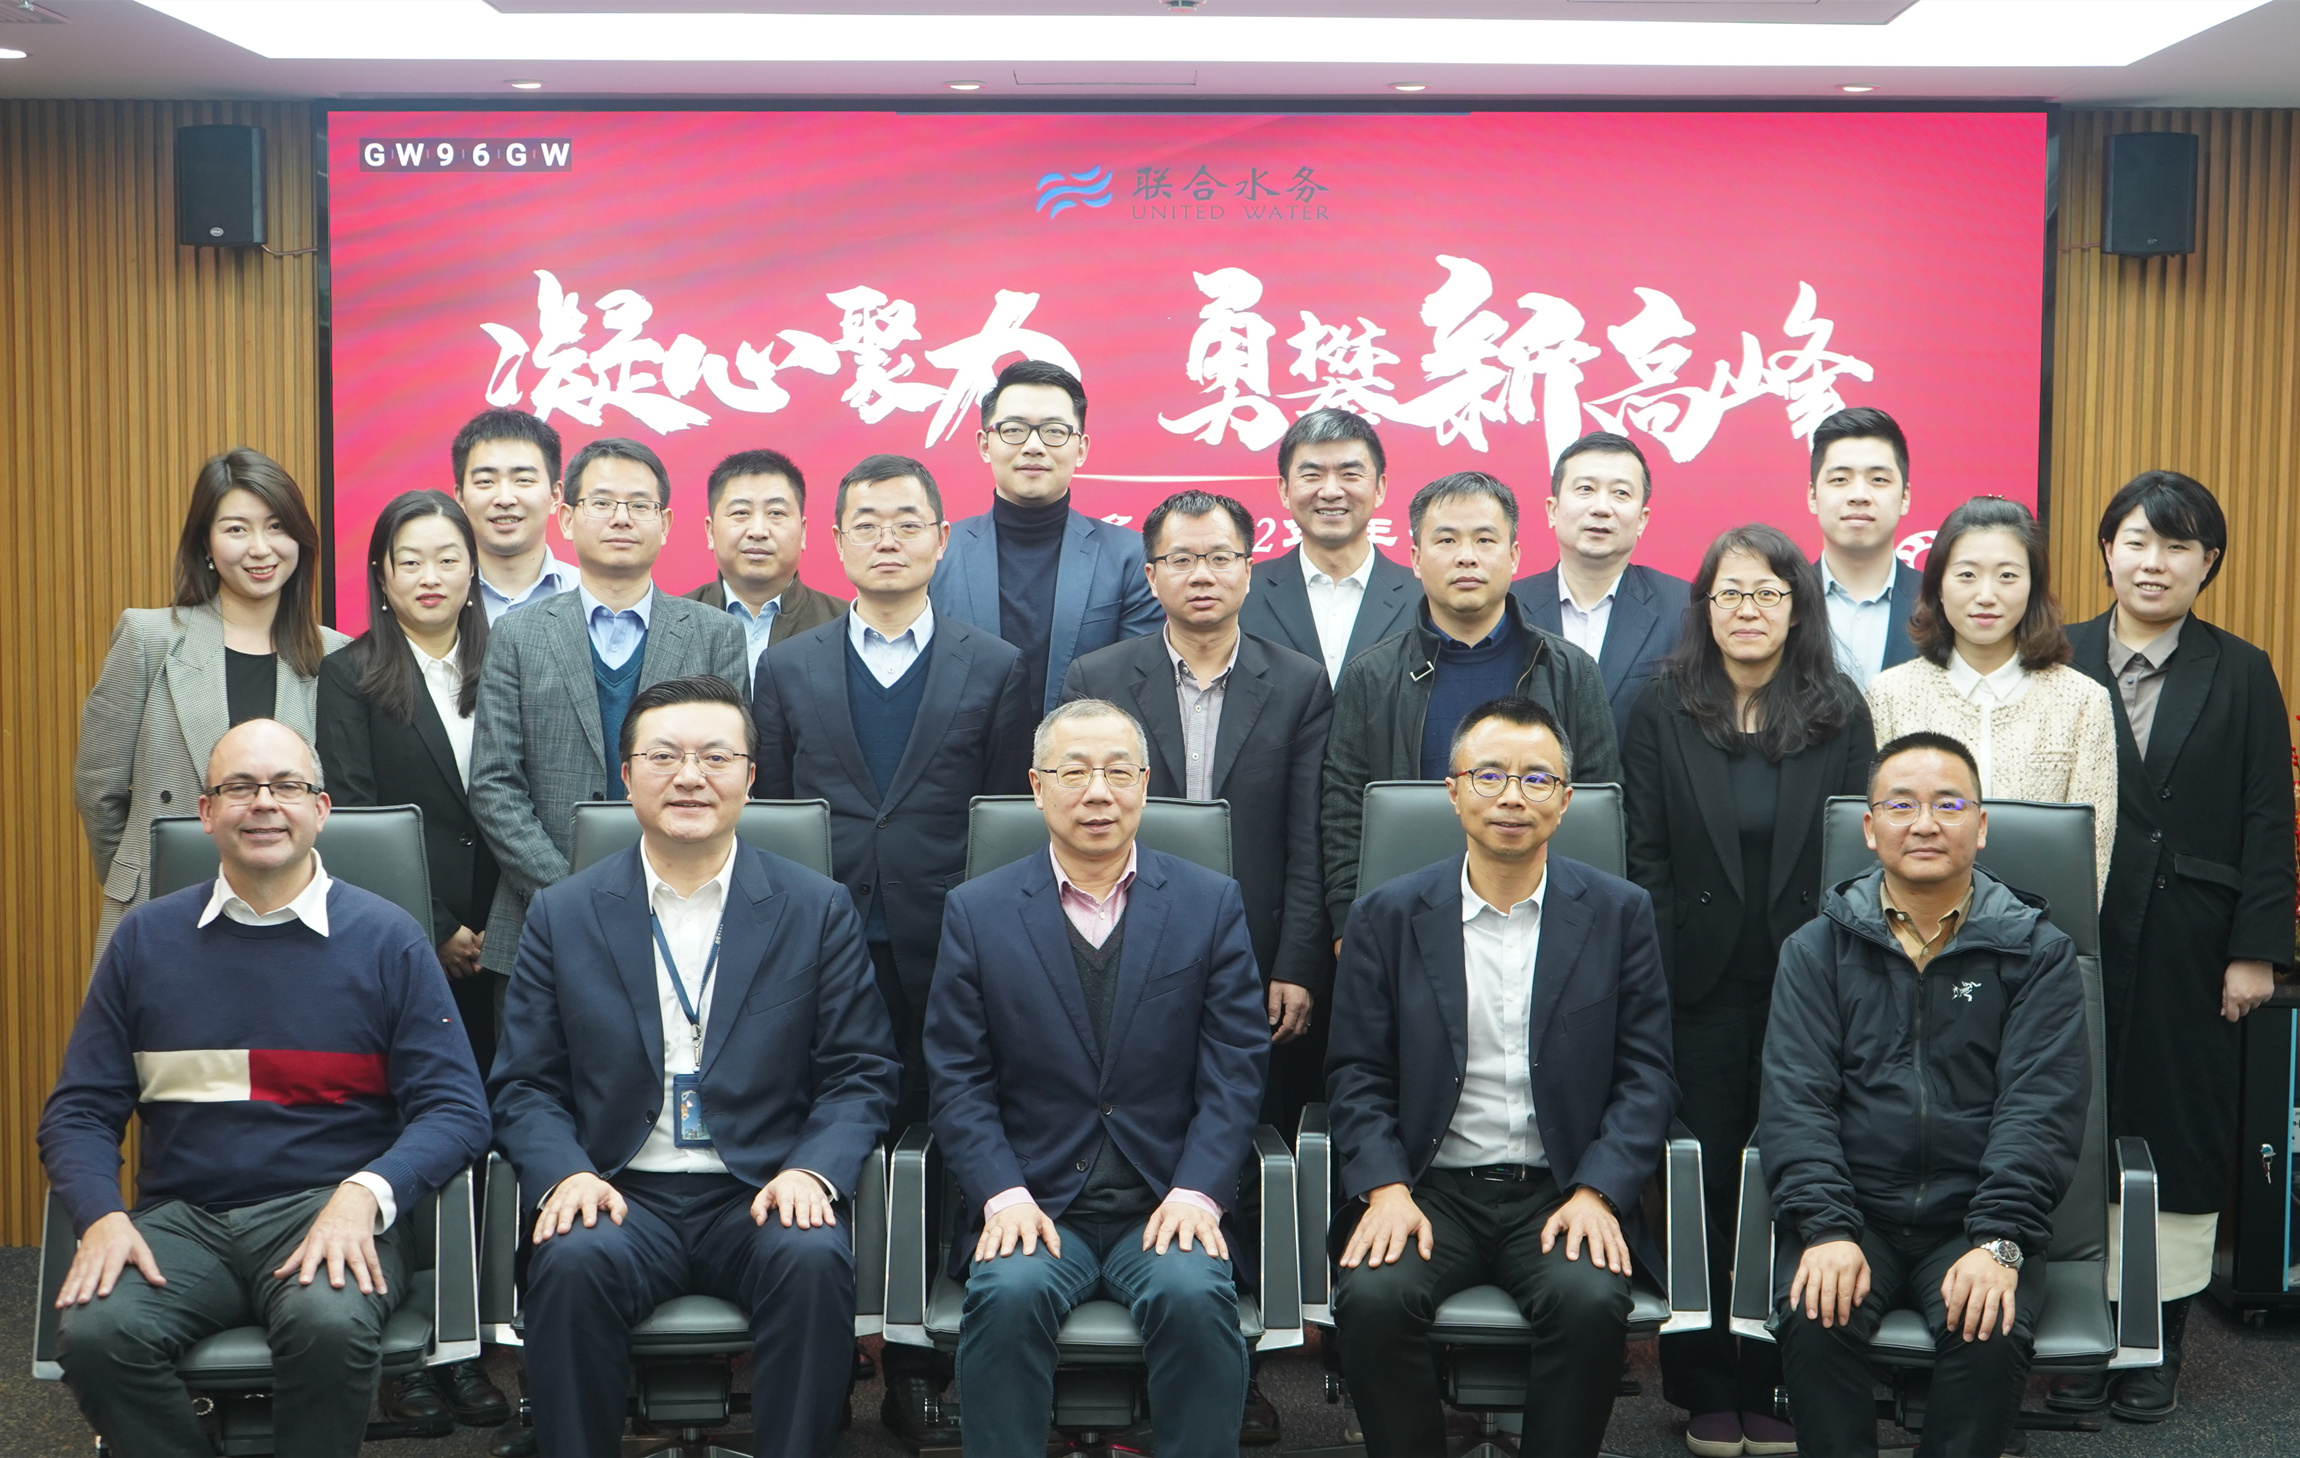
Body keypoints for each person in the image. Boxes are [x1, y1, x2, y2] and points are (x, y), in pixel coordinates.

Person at [40, 719, 491, 1458]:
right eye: (240, 787)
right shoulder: (145, 941)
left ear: (321, 809)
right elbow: (79, 1112)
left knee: (328, 1324)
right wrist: (102, 1217)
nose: (264, 803)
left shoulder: (389, 939)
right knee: (98, 1334)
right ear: (205, 811)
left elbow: (457, 1110)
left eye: (287, 786)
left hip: (328, 1209)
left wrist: (363, 1196)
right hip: (184, 1221)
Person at [490, 675, 900, 1458]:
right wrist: (566, 1173)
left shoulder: (815, 909)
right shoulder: (563, 914)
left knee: (811, 1258)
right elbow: (526, 1082)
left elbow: (861, 1071)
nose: (689, 776)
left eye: (715, 757)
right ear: (626, 776)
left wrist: (812, 1171)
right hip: (620, 1189)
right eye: (664, 756)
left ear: (751, 776)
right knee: (570, 1259)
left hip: (760, 1189)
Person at [750, 453, 1033, 1449]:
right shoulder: (787, 667)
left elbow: (1002, 822)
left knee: (939, 1142)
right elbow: (775, 819)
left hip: (949, 943)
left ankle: (919, 1366)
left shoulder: (993, 665)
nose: (886, 539)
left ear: (941, 540)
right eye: (865, 523)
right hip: (819, 945)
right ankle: (822, 1365)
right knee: (820, 1140)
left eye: (907, 522)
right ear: (835, 541)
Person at [1325, 697, 1676, 1458]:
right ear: (1453, 792)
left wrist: (1599, 1191)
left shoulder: (1619, 913)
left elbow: (1646, 1075)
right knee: (1374, 1298)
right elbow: (1355, 1073)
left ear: (1566, 800)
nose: (1512, 796)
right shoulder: (1387, 916)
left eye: (1536, 779)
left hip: (1561, 1188)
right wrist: (1385, 1188)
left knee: (1589, 1301)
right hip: (1430, 1189)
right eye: (1489, 776)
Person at [1060, 489, 1334, 1446]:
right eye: (1181, 559)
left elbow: (1308, 834)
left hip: (1252, 952)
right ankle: (1110, 1384)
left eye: (1220, 558)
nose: (1201, 575)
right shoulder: (1100, 674)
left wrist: (1294, 960)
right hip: (1119, 947)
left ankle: (1234, 1376)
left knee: (1235, 1147)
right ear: (1152, 576)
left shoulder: (1297, 682)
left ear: (1249, 569)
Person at [923, 699, 1268, 1458]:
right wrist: (1002, 1195)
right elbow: (957, 1078)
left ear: (1145, 783)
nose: (1098, 792)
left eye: (1118, 771)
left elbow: (1236, 1069)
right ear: (1037, 787)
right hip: (1036, 1203)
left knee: (1193, 1297)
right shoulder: (978, 912)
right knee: (1007, 1298)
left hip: (1165, 1200)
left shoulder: (1209, 904)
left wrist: (1198, 1190)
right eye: (1074, 772)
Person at [1761, 732, 2089, 1458]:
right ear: (1869, 827)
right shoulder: (1816, 950)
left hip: (1975, 1220)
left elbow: (2041, 1109)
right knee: (1814, 1316)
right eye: (1901, 805)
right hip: (1856, 1215)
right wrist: (1827, 1229)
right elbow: (1796, 1103)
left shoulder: (2038, 953)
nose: (1925, 823)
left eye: (1949, 804)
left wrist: (2000, 1239)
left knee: (1988, 1326)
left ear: (1982, 825)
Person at [1621, 525, 1872, 1458]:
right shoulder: (1663, 706)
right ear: (1705, 607)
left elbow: (1855, 853)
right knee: (1703, 1176)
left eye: (1768, 593)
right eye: (1729, 593)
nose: (1748, 610)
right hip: (1694, 983)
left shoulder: (1838, 709)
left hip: (1812, 980)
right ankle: (1701, 1380)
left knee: (1800, 1172)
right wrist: (1652, 976)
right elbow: (1643, 854)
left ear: (1797, 608)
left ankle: (1776, 1376)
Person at [2053, 471, 2294, 1422]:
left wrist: (2256, 950)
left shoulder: (2243, 671)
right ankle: (2079, 1331)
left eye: (2178, 546)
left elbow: (2267, 818)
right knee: (2075, 1129)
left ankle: (2153, 1342)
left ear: (2209, 562)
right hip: (2074, 930)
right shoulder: (2057, 655)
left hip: (2193, 941)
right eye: (2137, 541)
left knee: (2178, 1137)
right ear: (2106, 550)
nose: (2154, 562)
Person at [314, 489, 508, 1428]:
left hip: (512, 937)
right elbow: (352, 814)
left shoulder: (510, 658)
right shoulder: (349, 674)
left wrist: (498, 922)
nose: (430, 577)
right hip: (406, 942)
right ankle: (413, 1356)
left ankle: (471, 1343)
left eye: (447, 558)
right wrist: (434, 925)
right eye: (409, 560)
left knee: (494, 1134)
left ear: (473, 570)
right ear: (382, 576)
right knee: (410, 1132)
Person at [469, 436, 750, 997]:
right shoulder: (518, 634)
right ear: (566, 518)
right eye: (601, 502)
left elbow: (726, 772)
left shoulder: (715, 634)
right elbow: (494, 784)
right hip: (539, 917)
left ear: (665, 524)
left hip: (682, 911)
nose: (621, 518)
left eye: (640, 505)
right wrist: (568, 893)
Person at [75, 447, 346, 964]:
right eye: (237, 529)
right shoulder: (149, 638)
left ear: (300, 539)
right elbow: (98, 788)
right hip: (167, 901)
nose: (260, 548)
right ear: (206, 542)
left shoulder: (337, 656)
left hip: (292, 912)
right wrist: (143, 872)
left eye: (276, 527)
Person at [1320, 471, 1617, 934]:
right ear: (1415, 559)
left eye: (1484, 540)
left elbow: (1599, 809)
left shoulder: (1570, 671)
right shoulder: (1371, 676)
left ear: (1514, 555)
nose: (1466, 556)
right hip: (1405, 920)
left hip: (1546, 917)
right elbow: (1342, 812)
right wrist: (1346, 924)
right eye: (1446, 540)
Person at [1863, 496, 2118, 899]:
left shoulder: (2083, 701)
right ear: (1938, 586)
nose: (1986, 594)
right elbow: (1877, 836)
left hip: (2042, 930)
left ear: (2033, 587)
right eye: (1967, 575)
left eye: (2007, 576)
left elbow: (2092, 856)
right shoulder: (1889, 694)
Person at [929, 358, 1163, 712]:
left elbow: (1135, 689)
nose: (1034, 446)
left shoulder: (1130, 559)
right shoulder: (937, 554)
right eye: (1014, 429)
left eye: (1054, 431)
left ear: (1081, 448)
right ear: (985, 444)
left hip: (1086, 746)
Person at [1513, 431, 1692, 742]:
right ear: (1553, 510)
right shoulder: (1506, 607)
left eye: (1620, 493)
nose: (1601, 507)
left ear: (1642, 520)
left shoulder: (1685, 608)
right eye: (1586, 489)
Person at [1238, 409, 1420, 685]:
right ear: (1284, 490)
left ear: (1379, 488)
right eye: (1312, 475)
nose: (1331, 492)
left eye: (1350, 474)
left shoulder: (1425, 598)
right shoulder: (1241, 593)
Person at [680, 447, 847, 679]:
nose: (758, 531)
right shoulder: (671, 622)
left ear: (803, 532)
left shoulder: (844, 624)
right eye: (741, 512)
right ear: (710, 531)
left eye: (776, 513)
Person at [1806, 407, 1922, 688]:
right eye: (1840, 479)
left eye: (1878, 480)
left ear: (1905, 497)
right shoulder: (1782, 601)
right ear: (1813, 496)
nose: (1859, 495)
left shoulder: (1941, 602)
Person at [450, 407, 578, 622]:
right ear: (461, 498)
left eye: (523, 480)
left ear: (555, 496)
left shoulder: (588, 598)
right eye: (485, 481)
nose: (505, 499)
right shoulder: (436, 599)